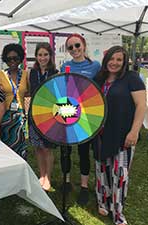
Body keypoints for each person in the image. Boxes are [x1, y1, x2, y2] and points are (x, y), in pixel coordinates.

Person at [93, 46, 146, 225]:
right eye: (111, 58)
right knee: (102, 170)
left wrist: (134, 131)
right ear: (106, 59)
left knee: (120, 174)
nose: (114, 63)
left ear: (124, 63)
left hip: (123, 134)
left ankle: (118, 213)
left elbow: (141, 105)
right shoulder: (99, 79)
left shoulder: (131, 78)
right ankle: (103, 201)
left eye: (119, 60)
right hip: (100, 134)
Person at [60, 33, 101, 205]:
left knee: (84, 151)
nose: (75, 49)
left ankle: (84, 186)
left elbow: (99, 91)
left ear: (83, 45)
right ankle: (67, 181)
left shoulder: (95, 66)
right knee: (66, 150)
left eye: (77, 45)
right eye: (70, 47)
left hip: (86, 116)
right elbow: (61, 88)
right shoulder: (65, 66)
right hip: (67, 112)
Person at [28, 43, 58, 191]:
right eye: (40, 55)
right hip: (34, 113)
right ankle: (41, 174)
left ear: (50, 56)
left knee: (47, 148)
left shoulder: (55, 72)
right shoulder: (32, 73)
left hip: (49, 115)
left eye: (45, 54)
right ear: (36, 56)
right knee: (37, 147)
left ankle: (48, 177)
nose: (42, 58)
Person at [0, 43, 28, 159]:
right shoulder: (0, 75)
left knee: (21, 146)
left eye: (15, 58)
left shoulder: (25, 74)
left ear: (20, 59)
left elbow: (29, 91)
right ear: (5, 59)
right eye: (9, 59)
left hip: (20, 116)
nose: (12, 61)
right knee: (7, 149)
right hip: (6, 117)